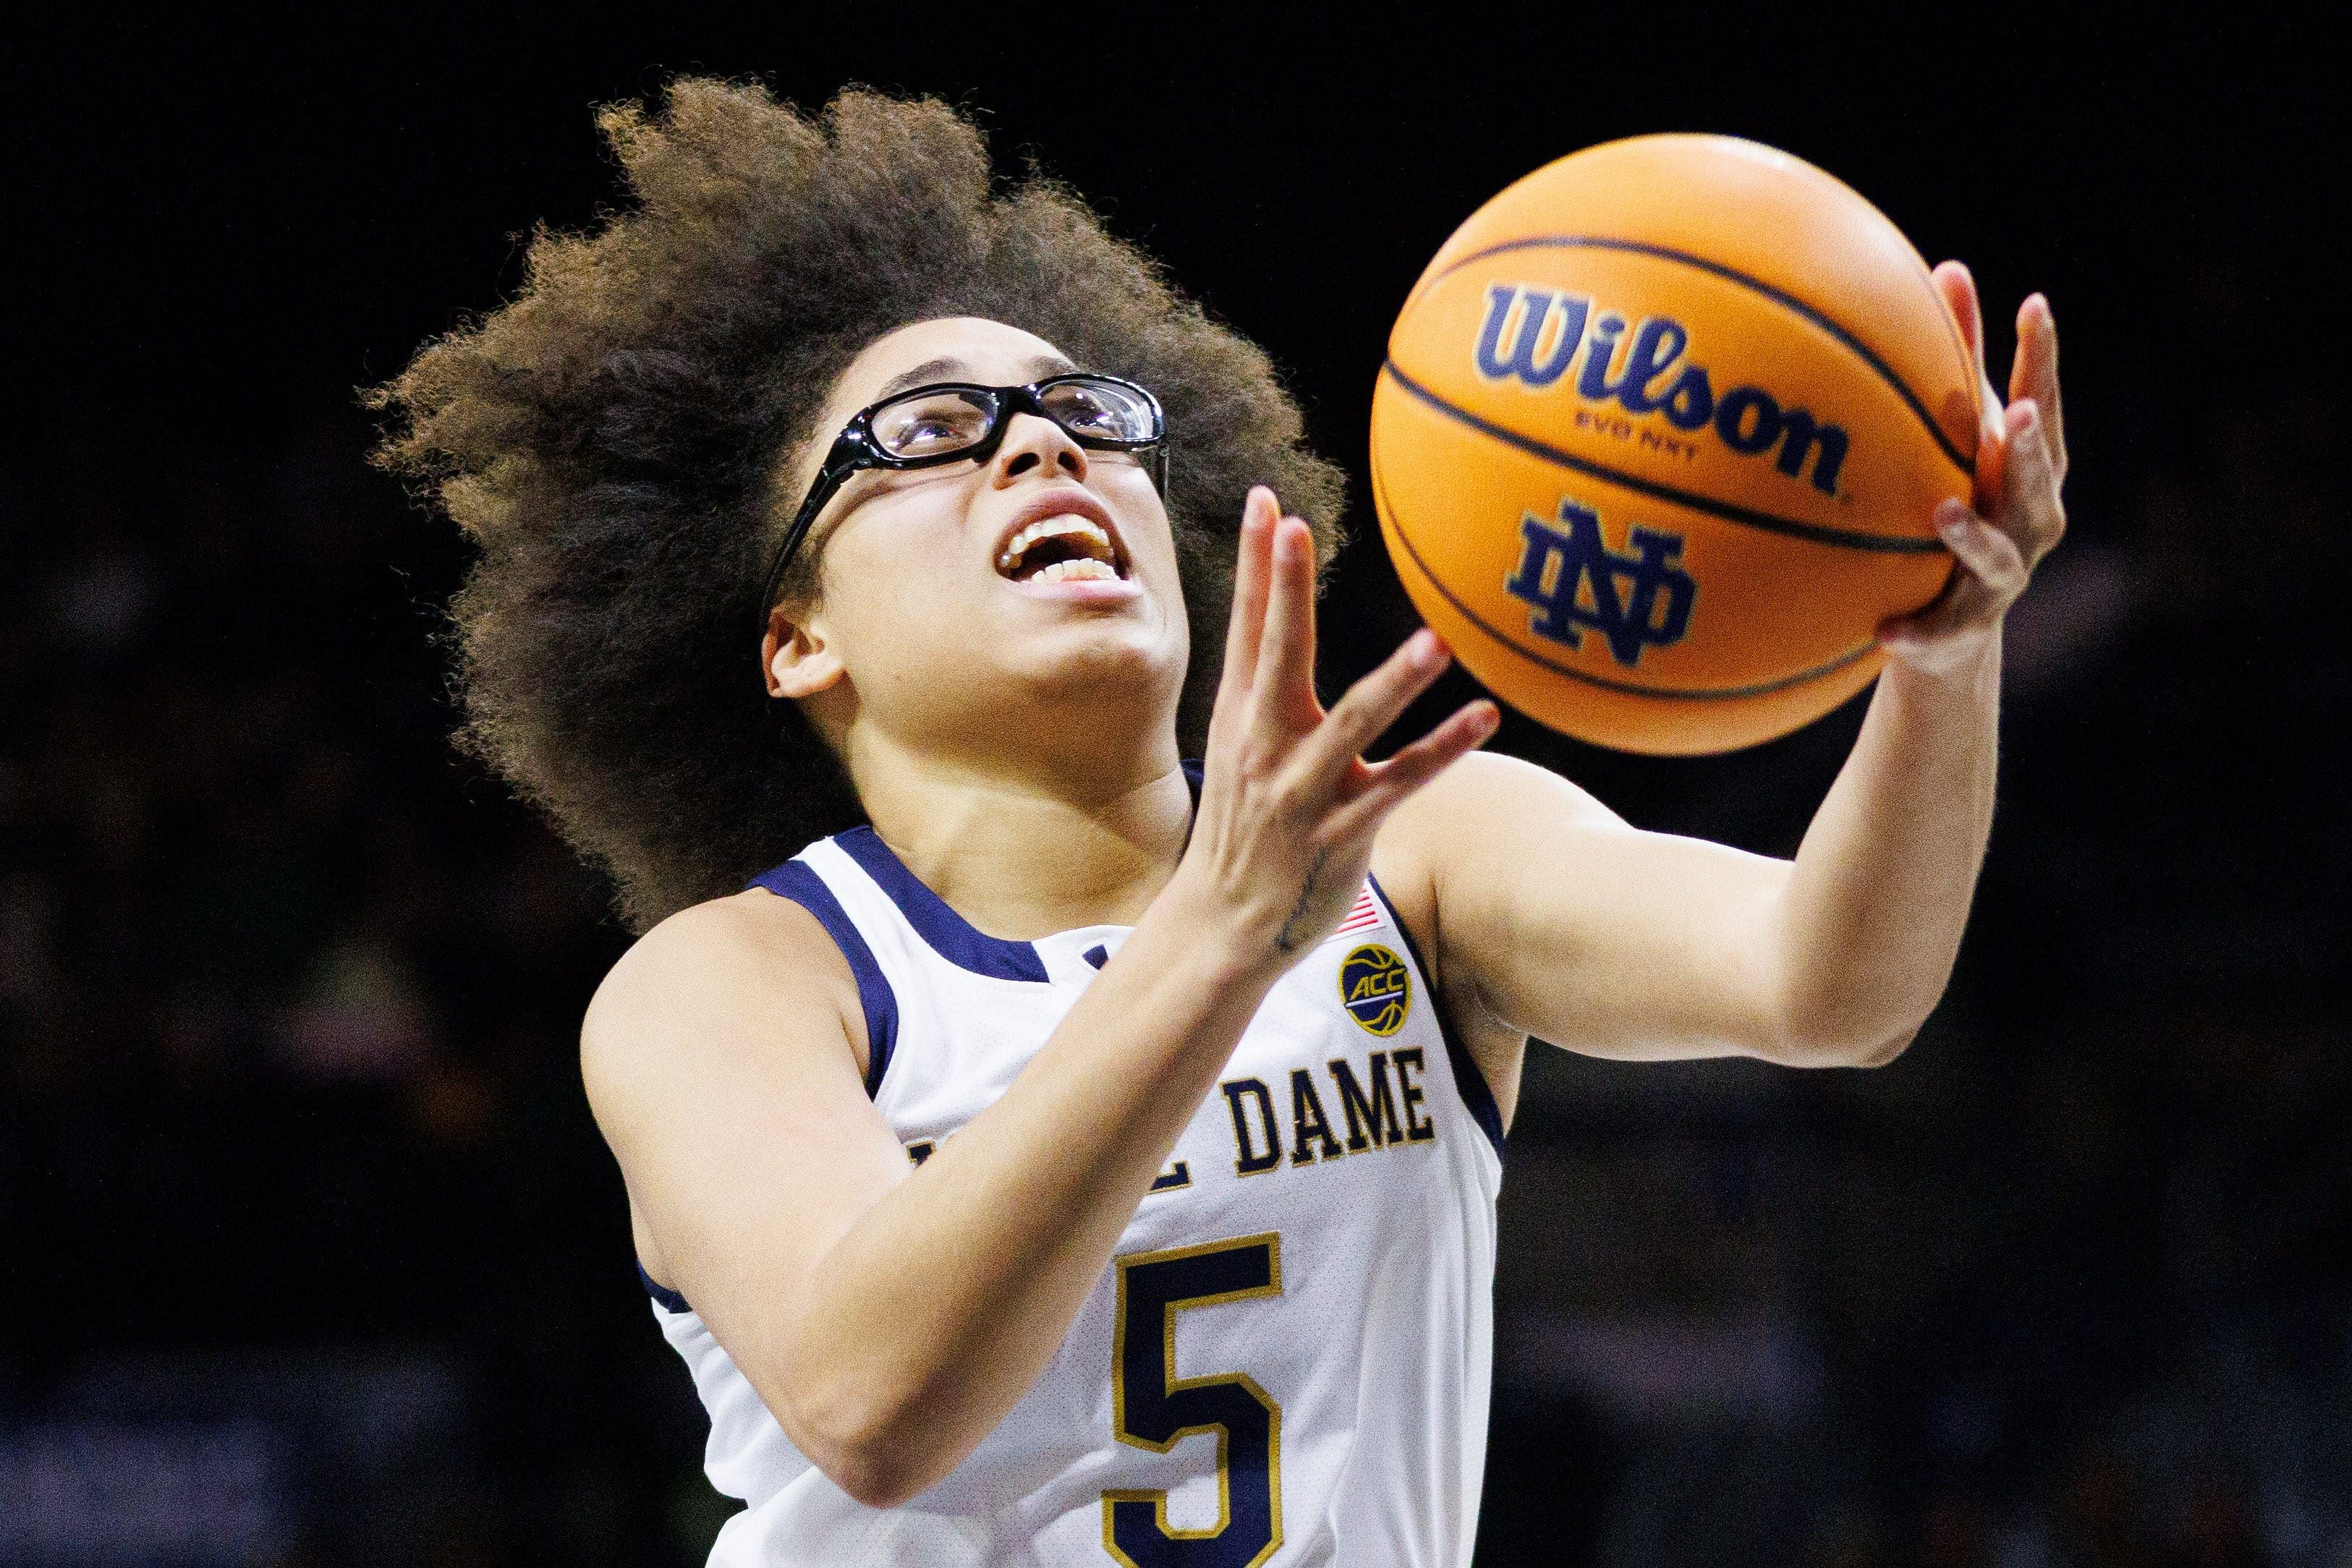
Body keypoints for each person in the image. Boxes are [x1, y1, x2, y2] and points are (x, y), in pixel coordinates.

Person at [373, 80, 2066, 1567]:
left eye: (1085, 417)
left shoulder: (1420, 850)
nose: (1039, 446)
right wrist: (1219, 929)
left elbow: (1840, 983)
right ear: (796, 637)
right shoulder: (739, 981)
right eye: (933, 435)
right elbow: (876, 1400)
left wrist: (1944, 650)